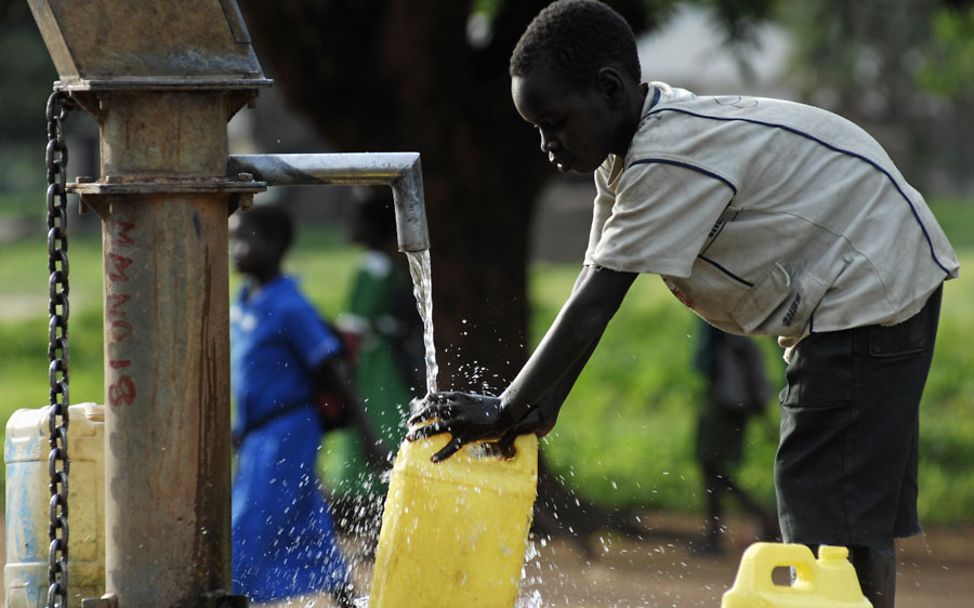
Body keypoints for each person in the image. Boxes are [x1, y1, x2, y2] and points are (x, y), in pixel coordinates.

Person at [407, 1, 959, 606]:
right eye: (536, 129)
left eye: (555, 122)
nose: (547, 144)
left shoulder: (668, 157)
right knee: (846, 503)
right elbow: (591, 286)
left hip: (870, 283)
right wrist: (541, 407)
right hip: (877, 276)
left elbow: (598, 303)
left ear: (610, 89)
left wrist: (506, 408)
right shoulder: (628, 160)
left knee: (822, 499)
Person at [228, 203, 360, 607]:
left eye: (244, 238)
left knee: (249, 525)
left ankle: (238, 596)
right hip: (257, 433)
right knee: (304, 520)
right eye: (231, 237)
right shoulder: (244, 300)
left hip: (287, 430)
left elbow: (331, 368)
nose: (234, 247)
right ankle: (346, 595)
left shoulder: (290, 305)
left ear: (276, 244)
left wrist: (365, 435)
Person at [324, 189, 425, 536]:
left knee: (374, 427)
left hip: (372, 365)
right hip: (384, 361)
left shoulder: (375, 267)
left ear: (373, 225)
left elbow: (355, 325)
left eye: (356, 217)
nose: (349, 224)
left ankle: (375, 519)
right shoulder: (389, 264)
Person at [693, 321, 778, 555]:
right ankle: (721, 530)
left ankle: (718, 533)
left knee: (711, 466)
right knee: (711, 468)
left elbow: (743, 359)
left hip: (728, 401)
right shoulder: (719, 321)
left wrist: (757, 406)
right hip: (724, 397)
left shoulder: (722, 319)